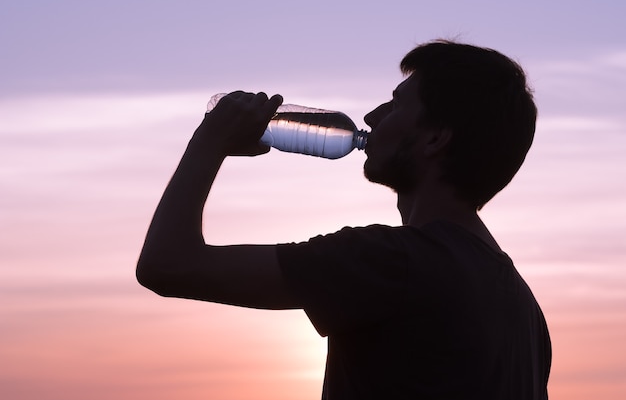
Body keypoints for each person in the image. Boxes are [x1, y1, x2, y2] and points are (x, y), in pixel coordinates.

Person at [136, 40, 551, 399]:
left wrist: (209, 142)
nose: (372, 115)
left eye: (396, 103)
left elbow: (167, 265)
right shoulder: (525, 313)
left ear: (435, 138)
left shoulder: (391, 261)